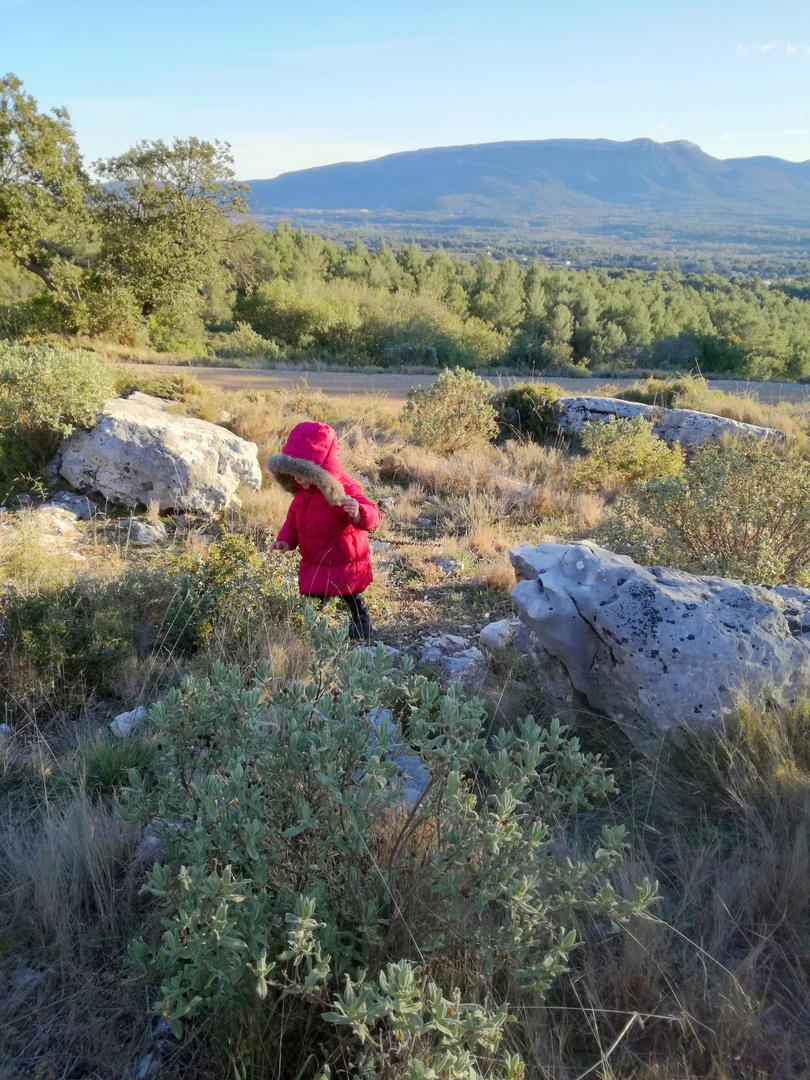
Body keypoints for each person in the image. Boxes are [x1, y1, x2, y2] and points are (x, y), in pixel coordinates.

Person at [266, 421, 380, 641]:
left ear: (320, 470)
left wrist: (358, 513)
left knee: (352, 596)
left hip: (345, 558)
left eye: (304, 473)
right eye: (293, 473)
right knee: (314, 598)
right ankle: (308, 631)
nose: (297, 479)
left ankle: (362, 626)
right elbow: (292, 521)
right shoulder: (301, 494)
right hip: (316, 559)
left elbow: (373, 515)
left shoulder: (346, 488)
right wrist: (285, 541)